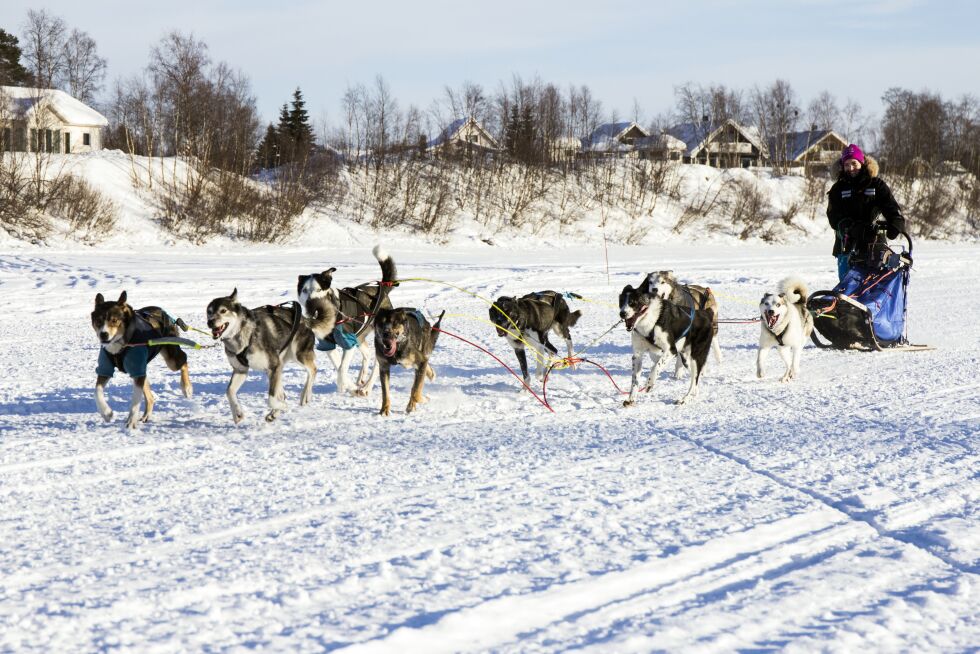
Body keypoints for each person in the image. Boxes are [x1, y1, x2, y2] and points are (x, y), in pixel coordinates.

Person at [826, 144, 906, 281]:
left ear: (861, 163)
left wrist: (896, 221)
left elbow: (890, 206)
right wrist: (850, 227)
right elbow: (834, 217)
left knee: (875, 286)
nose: (850, 168)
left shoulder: (876, 185)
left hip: (874, 244)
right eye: (846, 165)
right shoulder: (837, 189)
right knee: (848, 287)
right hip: (846, 245)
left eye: (854, 163)